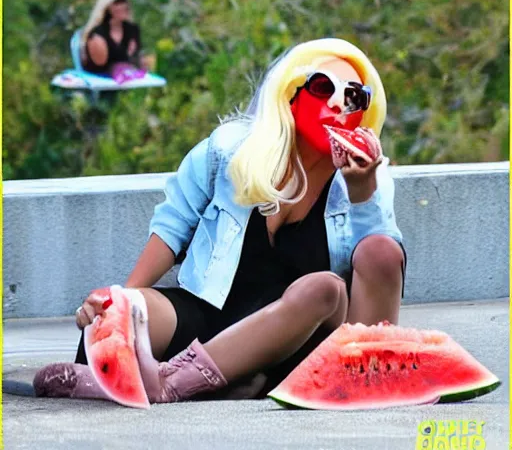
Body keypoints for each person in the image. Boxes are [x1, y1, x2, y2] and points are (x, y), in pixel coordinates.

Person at [34, 37, 406, 403]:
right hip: (207, 315)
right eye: (322, 87)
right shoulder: (230, 149)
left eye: (354, 95)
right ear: (290, 94)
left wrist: (362, 192)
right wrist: (121, 307)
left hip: (293, 342)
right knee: (131, 312)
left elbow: (380, 267)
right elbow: (172, 226)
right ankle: (223, 383)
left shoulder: (369, 179)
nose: (338, 102)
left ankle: (172, 385)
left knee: (324, 288)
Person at [81, 0, 149, 77]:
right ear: (107, 8)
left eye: (124, 2)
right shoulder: (97, 35)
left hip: (127, 77)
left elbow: (138, 59)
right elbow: (100, 63)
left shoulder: (132, 29)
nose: (123, 6)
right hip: (100, 78)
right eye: (117, 3)